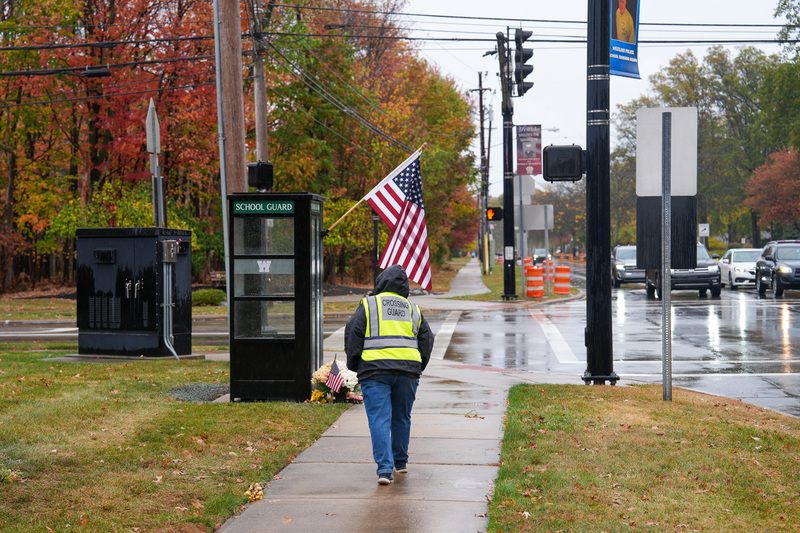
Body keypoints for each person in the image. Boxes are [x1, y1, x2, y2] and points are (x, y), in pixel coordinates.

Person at [345, 265, 434, 485]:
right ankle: (400, 463)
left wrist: (354, 364)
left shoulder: (369, 305)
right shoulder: (413, 308)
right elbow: (427, 338)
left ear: (381, 282)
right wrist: (419, 365)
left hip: (374, 370)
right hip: (408, 371)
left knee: (379, 419)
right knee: (402, 417)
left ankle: (384, 470)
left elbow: (353, 333)